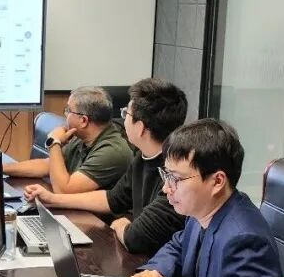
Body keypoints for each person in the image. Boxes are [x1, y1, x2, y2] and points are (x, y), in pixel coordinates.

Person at [108, 119, 284, 277]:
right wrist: (157, 269)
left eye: (176, 179)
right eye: (166, 175)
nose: (166, 188)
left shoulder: (244, 239)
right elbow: (179, 244)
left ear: (217, 182)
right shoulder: (202, 210)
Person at [23, 77, 187, 254]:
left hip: (155, 262)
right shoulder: (142, 158)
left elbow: (135, 238)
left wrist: (121, 225)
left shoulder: (175, 176)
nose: (122, 120)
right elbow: (112, 199)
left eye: (126, 114)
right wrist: (52, 199)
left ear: (140, 128)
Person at [0, 85, 132, 193]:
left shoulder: (112, 151)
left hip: (97, 218)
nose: (65, 115)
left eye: (68, 110)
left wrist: (54, 143)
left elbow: (63, 190)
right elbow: (48, 165)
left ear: (83, 120)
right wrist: (0, 168)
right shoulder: (82, 137)